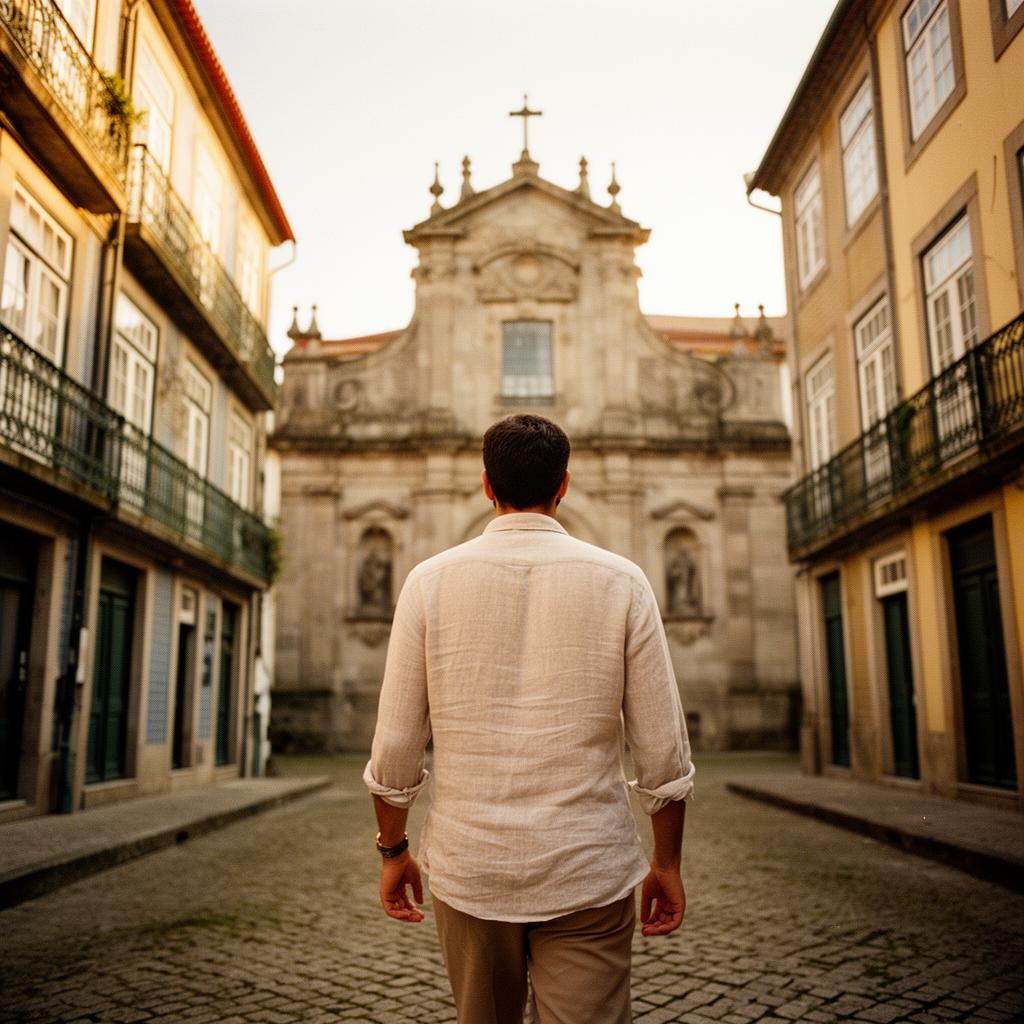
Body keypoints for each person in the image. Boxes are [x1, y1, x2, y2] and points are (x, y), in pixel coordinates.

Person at [364, 413, 694, 1024]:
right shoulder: (624, 582)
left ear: (487, 485)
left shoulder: (426, 583)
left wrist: (394, 852)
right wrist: (667, 865)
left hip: (471, 868)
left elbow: (396, 748)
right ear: (563, 484)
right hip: (588, 868)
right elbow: (664, 754)